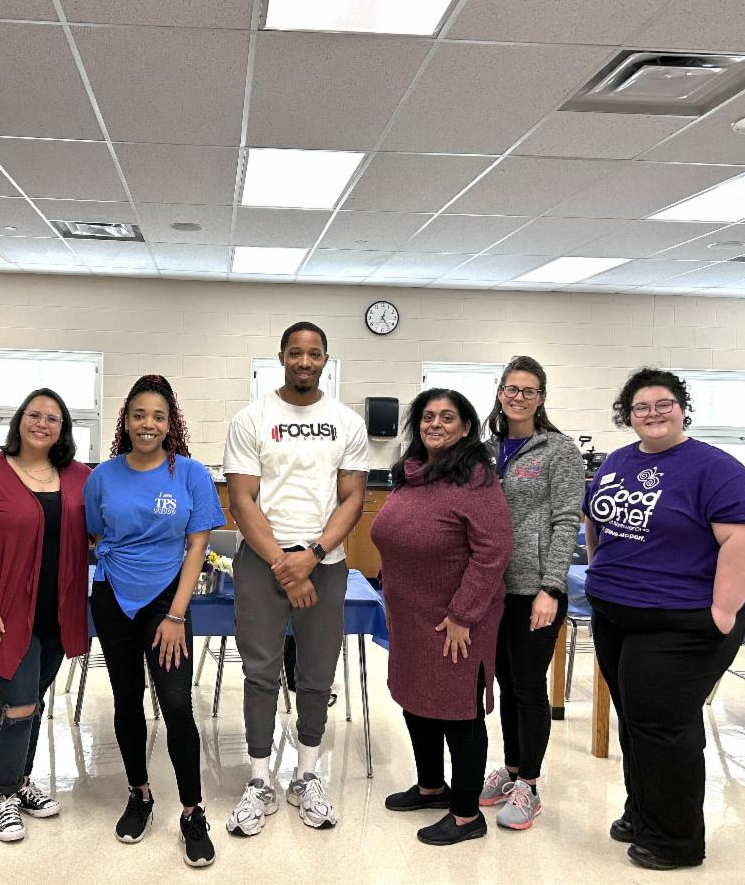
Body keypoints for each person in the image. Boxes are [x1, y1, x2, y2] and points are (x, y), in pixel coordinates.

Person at [584, 368, 745, 871]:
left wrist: (722, 612)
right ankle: (643, 813)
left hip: (679, 621)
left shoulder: (714, 468)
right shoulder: (619, 460)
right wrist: (603, 572)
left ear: (682, 408)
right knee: (636, 722)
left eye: (663, 403)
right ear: (628, 416)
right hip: (617, 615)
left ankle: (674, 840)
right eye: (641, 407)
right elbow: (595, 519)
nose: (653, 413)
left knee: (663, 727)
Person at [222, 322, 368, 835]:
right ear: (281, 356)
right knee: (260, 672)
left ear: (325, 359)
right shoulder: (252, 418)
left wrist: (313, 555)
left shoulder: (347, 422)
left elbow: (353, 497)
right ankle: (259, 779)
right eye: (295, 353)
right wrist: (285, 566)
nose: (305, 361)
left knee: (316, 673)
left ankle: (306, 776)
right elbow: (241, 499)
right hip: (263, 562)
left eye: (314, 354)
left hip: (323, 565)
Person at [84, 375, 224, 868]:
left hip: (169, 599)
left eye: (158, 416)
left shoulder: (190, 474)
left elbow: (198, 545)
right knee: (126, 699)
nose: (148, 424)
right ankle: (139, 793)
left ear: (171, 423)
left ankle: (192, 811)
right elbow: (96, 535)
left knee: (176, 703)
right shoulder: (101, 476)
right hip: (113, 597)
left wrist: (176, 614)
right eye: (139, 414)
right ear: (125, 421)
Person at [0, 388, 90, 843]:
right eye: (34, 414)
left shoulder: (79, 477)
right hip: (2, 614)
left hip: (57, 613)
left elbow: (102, 526)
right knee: (20, 701)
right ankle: (4, 795)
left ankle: (22, 782)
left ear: (63, 430)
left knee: (33, 699)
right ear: (19, 420)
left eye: (52, 418)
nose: (42, 423)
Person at [373, 389, 512, 846]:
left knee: (458, 711)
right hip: (410, 614)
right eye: (428, 416)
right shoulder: (412, 473)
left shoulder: (476, 479)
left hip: (454, 620)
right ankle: (431, 786)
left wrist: (462, 614)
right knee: (416, 700)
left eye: (447, 417)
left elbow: (493, 551)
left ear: (466, 427)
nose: (436, 424)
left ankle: (467, 814)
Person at [479, 356, 585, 830]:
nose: (518, 397)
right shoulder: (486, 450)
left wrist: (551, 587)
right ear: (500, 393)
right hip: (492, 589)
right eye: (511, 389)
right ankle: (511, 769)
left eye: (528, 390)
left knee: (528, 684)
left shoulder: (558, 451)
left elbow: (566, 521)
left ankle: (530, 785)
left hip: (534, 590)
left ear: (541, 398)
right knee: (505, 681)